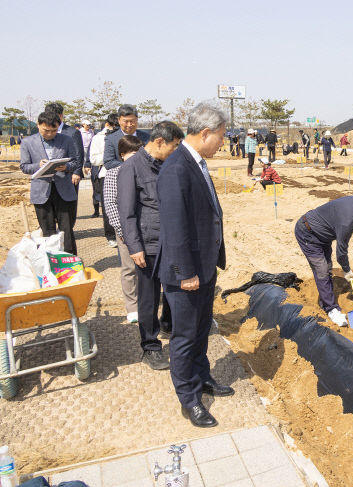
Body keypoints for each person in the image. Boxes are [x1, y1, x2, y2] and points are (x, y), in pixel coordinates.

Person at [156, 103, 231, 428]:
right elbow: (174, 227)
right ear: (205, 133)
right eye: (221, 137)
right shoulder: (176, 168)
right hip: (185, 272)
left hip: (204, 267)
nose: (222, 143)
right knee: (185, 337)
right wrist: (186, 273)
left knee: (201, 331)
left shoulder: (195, 162)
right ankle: (188, 399)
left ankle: (202, 377)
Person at [118, 122, 183, 370]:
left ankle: (169, 325)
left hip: (171, 240)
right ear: (159, 142)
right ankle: (150, 346)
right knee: (148, 297)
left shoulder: (167, 165)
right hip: (147, 244)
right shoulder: (131, 168)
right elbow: (127, 213)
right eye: (174, 146)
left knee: (174, 288)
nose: (175, 151)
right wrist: (135, 246)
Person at [295, 196, 353, 327]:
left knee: (327, 267)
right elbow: (341, 252)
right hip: (308, 233)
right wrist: (347, 270)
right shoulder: (348, 221)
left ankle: (325, 301)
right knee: (322, 269)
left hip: (324, 235)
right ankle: (331, 309)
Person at [20, 111, 80, 254]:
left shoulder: (66, 140)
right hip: (41, 191)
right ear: (38, 125)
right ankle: (52, 263)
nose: (50, 134)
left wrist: (66, 167)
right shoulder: (28, 142)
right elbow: (24, 166)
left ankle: (71, 262)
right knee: (48, 231)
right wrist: (38, 165)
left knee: (67, 230)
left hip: (63, 191)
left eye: (54, 131)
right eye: (46, 130)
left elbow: (75, 162)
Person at [104, 135, 144, 324]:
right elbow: (111, 205)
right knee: (129, 269)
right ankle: (132, 306)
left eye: (139, 153)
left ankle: (147, 302)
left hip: (146, 228)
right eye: (132, 153)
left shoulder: (147, 172)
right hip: (126, 231)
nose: (137, 157)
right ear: (122, 155)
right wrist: (122, 231)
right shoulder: (113, 174)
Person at [90, 114, 119, 245]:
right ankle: (111, 236)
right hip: (106, 174)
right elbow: (94, 159)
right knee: (108, 207)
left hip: (125, 173)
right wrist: (109, 155)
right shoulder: (98, 138)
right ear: (107, 124)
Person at [104, 104, 150, 171]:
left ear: (137, 119)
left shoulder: (147, 137)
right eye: (126, 121)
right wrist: (131, 166)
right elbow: (108, 162)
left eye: (132, 121)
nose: (129, 124)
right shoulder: (111, 139)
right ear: (119, 120)